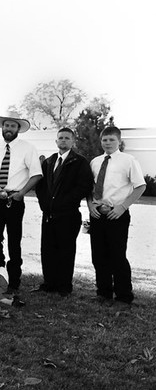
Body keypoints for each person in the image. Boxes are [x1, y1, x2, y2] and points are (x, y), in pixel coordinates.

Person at [87, 126, 146, 308]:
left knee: (117, 256)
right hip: (97, 214)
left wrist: (122, 207)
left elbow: (140, 186)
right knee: (98, 256)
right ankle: (103, 293)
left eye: (111, 140)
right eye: (105, 140)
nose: (108, 143)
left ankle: (123, 296)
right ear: (101, 141)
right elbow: (89, 188)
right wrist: (90, 205)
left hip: (117, 214)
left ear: (119, 141)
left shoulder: (129, 160)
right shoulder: (95, 162)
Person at [0, 115, 42, 292]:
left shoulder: (27, 148)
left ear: (18, 129)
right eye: (6, 125)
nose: (8, 128)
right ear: (2, 128)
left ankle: (14, 280)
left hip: (14, 200)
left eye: (12, 126)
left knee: (14, 241)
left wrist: (22, 193)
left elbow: (37, 174)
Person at [35, 128, 93, 296]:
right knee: (47, 249)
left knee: (65, 251)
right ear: (56, 141)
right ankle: (49, 283)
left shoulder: (79, 162)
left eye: (67, 138)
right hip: (48, 214)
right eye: (61, 138)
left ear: (72, 141)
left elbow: (84, 186)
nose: (63, 140)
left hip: (68, 215)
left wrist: (64, 202)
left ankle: (64, 286)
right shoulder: (49, 161)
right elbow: (41, 186)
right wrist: (45, 204)